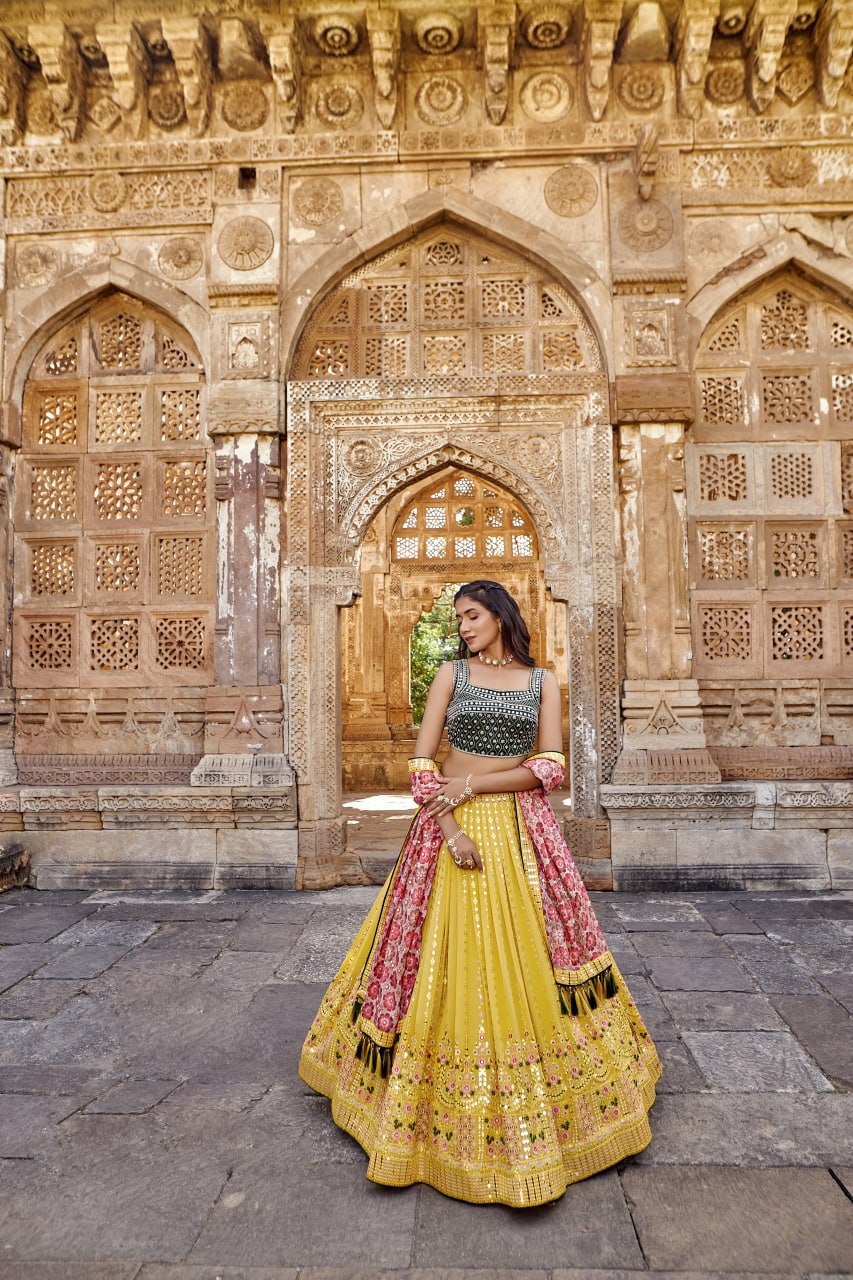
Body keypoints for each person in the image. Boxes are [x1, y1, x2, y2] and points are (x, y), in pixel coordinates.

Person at [300, 579, 660, 1206]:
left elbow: (551, 766)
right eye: (457, 618)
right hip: (448, 829)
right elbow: (421, 765)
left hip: (521, 834)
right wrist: (447, 824)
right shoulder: (450, 675)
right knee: (435, 953)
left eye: (471, 615)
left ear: (499, 616)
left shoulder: (542, 681)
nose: (463, 626)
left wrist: (473, 790)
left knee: (531, 955)